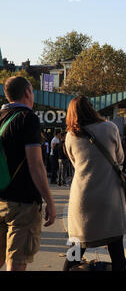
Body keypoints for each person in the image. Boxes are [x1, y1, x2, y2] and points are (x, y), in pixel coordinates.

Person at [63, 96, 126, 271]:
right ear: (92, 109)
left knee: (75, 252)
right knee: (117, 253)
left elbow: (75, 163)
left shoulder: (70, 136)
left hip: (82, 200)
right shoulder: (110, 128)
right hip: (109, 199)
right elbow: (120, 158)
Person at [0, 76, 56, 271]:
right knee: (17, 260)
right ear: (27, 93)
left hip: (0, 199)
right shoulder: (28, 118)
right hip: (23, 202)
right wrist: (49, 200)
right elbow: (36, 165)